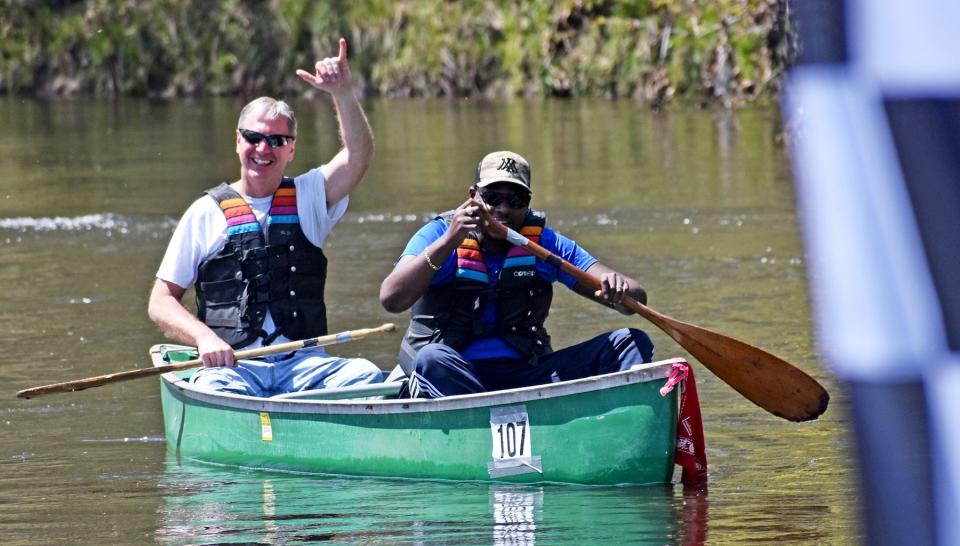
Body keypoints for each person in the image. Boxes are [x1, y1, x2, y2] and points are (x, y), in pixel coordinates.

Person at [148, 38, 384, 396]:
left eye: (276, 141)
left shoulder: (309, 196)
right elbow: (160, 300)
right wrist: (204, 338)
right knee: (216, 390)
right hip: (233, 369)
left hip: (306, 366)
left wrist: (343, 92)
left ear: (291, 149)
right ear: (238, 142)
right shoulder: (204, 213)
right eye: (253, 138)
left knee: (366, 375)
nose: (263, 149)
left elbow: (359, 157)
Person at [379, 150, 654, 398]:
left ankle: (618, 430)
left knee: (630, 342)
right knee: (430, 359)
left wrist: (619, 290)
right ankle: (487, 421)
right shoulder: (438, 235)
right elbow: (392, 299)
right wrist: (447, 243)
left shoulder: (544, 244)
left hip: (525, 376)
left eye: (516, 200)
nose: (504, 210)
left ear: (528, 202)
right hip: (453, 377)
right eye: (493, 197)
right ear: (473, 195)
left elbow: (635, 300)